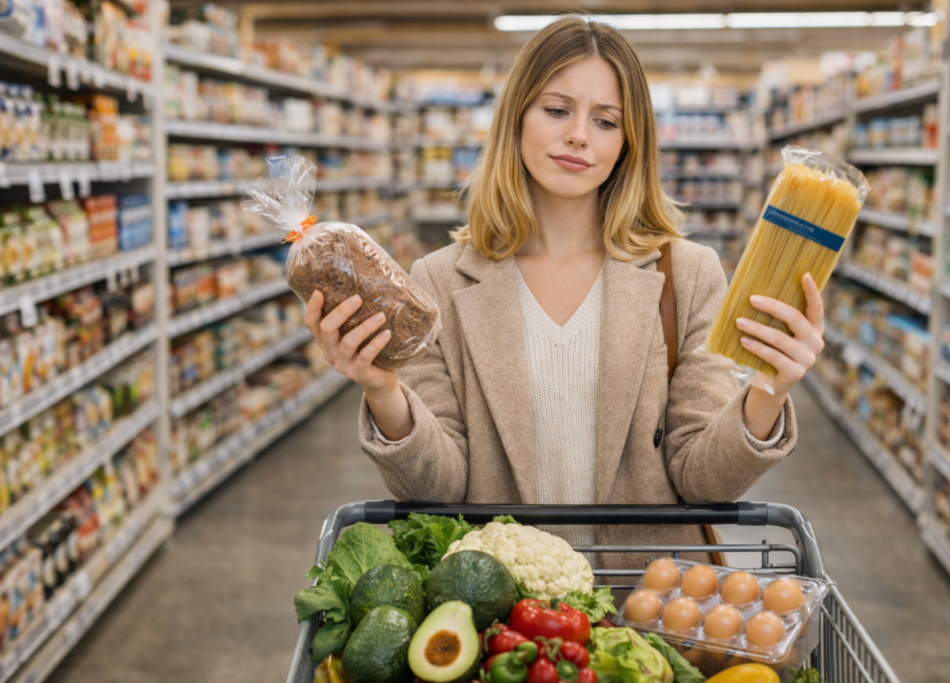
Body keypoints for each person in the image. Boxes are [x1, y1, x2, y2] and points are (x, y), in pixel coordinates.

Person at [303, 16, 825, 566]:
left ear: (628, 142)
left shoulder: (686, 275)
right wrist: (385, 393)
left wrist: (769, 390)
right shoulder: (440, 280)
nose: (579, 134)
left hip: (645, 614)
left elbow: (702, 482)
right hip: (503, 624)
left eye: (606, 121)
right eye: (557, 110)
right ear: (517, 119)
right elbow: (439, 488)